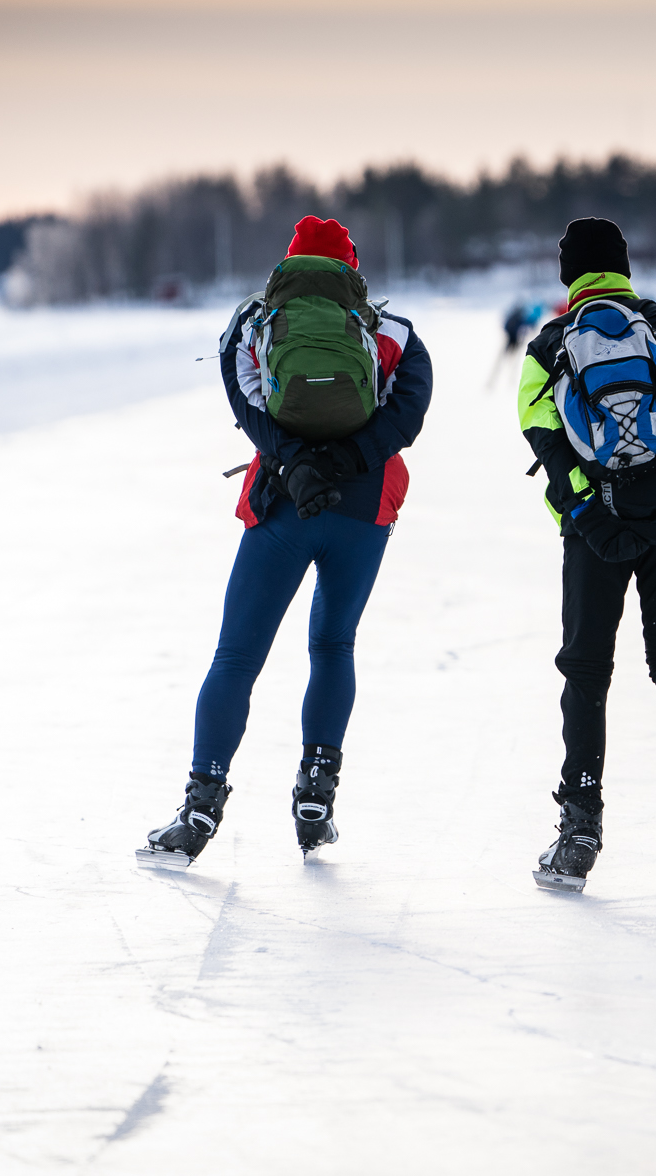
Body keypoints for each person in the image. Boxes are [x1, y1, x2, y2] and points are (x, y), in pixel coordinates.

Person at [139, 216, 434, 869]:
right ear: (351, 268)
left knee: (236, 658)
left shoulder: (253, 323)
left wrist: (298, 464)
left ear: (289, 265)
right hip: (365, 510)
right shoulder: (393, 332)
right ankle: (316, 797)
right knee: (333, 645)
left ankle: (199, 809)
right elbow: (405, 419)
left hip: (281, 504)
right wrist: (345, 463)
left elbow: (247, 408)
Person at [518, 217, 656, 891]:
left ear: (569, 274)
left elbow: (545, 440)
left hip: (593, 533)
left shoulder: (550, 345)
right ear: (623, 267)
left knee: (586, 670)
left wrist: (585, 512)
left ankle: (579, 827)